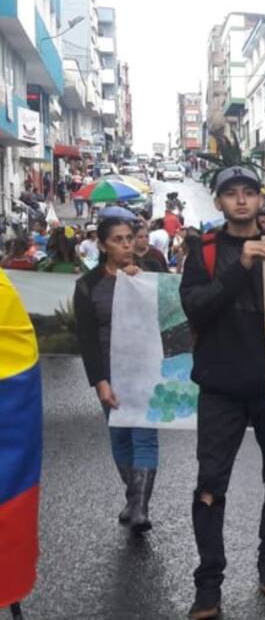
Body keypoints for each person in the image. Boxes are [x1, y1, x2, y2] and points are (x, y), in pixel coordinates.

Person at [180, 165, 265, 620]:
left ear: (260, 200)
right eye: (230, 193)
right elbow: (196, 307)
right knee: (210, 484)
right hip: (220, 388)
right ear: (218, 202)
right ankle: (208, 583)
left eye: (249, 192)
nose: (240, 200)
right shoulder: (205, 251)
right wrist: (242, 266)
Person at [73, 216, 160, 533]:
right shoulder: (88, 285)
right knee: (120, 436)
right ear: (102, 245)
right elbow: (87, 338)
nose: (126, 245)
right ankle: (133, 496)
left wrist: (143, 283)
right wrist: (100, 381)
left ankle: (140, 508)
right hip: (111, 372)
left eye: (129, 238)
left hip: (147, 369)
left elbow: (170, 314)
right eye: (117, 240)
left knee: (145, 437)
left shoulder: (151, 274)